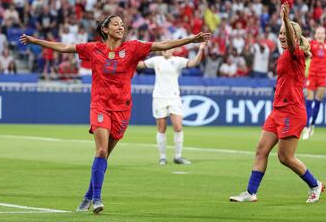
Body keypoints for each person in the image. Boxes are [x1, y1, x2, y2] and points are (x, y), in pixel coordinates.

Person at [20, 14, 211, 214]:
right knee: (101, 151)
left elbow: (163, 44)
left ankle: (87, 195)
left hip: (122, 108)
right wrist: (36, 41)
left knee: (104, 156)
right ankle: (97, 198)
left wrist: (191, 40)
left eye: (122, 24)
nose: (121, 27)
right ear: (105, 29)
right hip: (100, 106)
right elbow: (66, 47)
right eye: (116, 24)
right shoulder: (94, 49)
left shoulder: (133, 48)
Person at [229, 2, 324, 203]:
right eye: (280, 32)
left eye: (284, 33)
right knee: (261, 150)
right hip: (278, 110)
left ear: (295, 37)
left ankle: (315, 185)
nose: (281, 35)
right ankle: (251, 192)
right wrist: (285, 22)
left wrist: (285, 18)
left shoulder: (295, 53)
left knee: (285, 157)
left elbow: (290, 40)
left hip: (292, 111)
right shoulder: (284, 55)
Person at [137, 42, 206, 165]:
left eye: (168, 47)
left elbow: (194, 62)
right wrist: (128, 56)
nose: (165, 49)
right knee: (161, 128)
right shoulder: (156, 60)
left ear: (173, 49)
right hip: (159, 98)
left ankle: (178, 156)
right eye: (164, 47)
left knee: (178, 127)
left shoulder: (178, 61)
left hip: (174, 98)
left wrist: (200, 50)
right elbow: (140, 65)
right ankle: (162, 157)